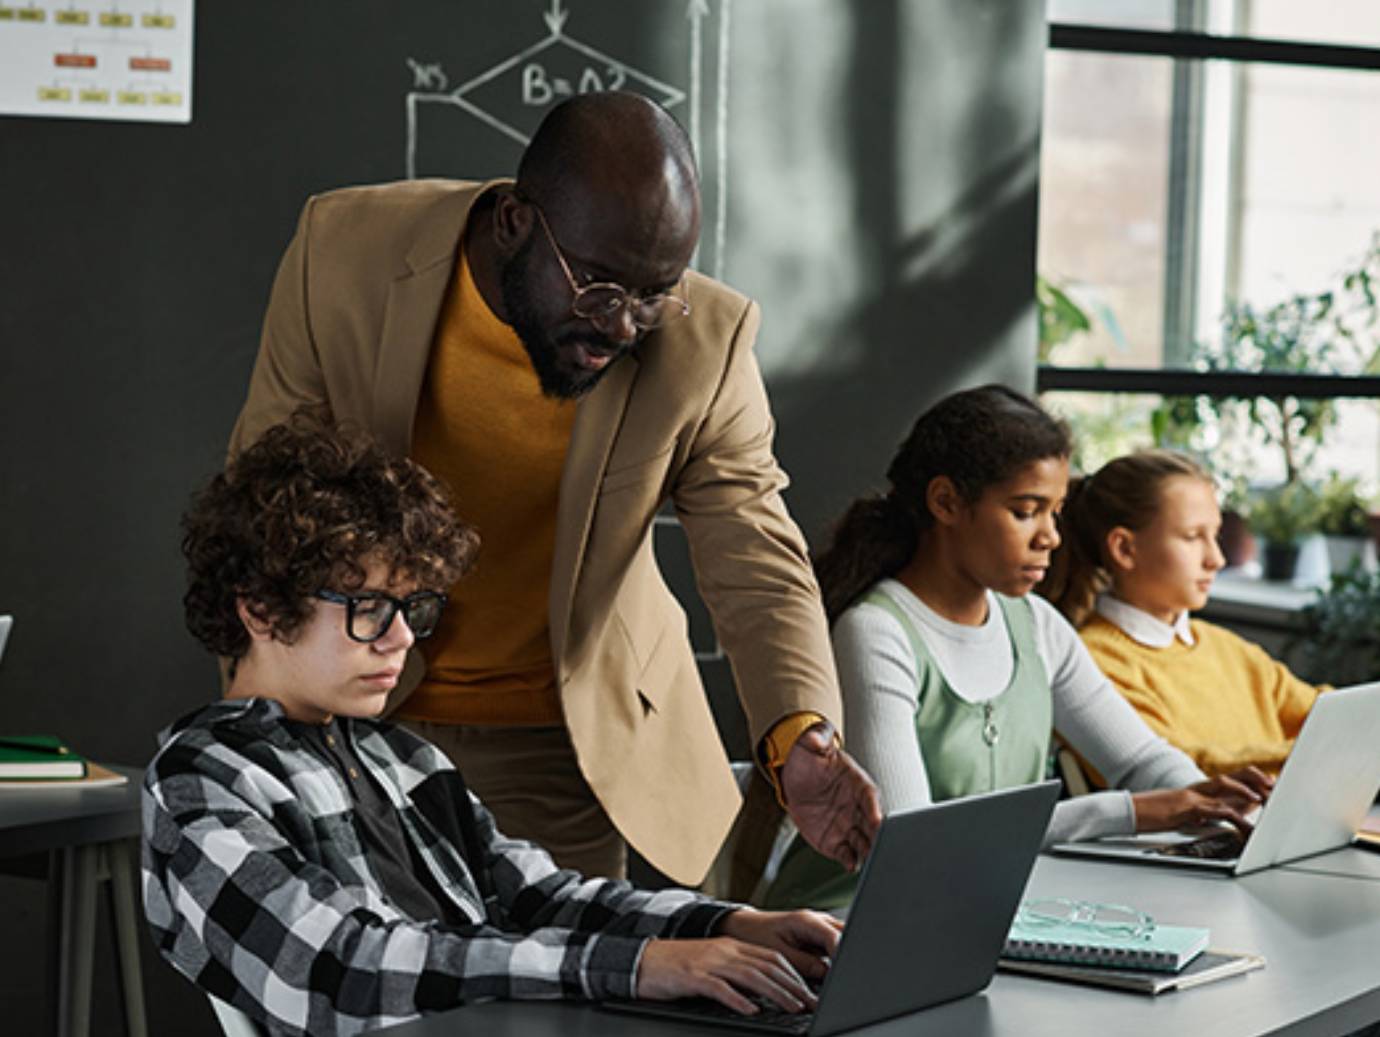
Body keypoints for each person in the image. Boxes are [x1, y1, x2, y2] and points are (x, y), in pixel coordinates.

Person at [227, 90, 879, 885]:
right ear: (515, 223)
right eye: (598, 287)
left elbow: (755, 553)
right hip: (347, 718)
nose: (623, 325)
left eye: (652, 294)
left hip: (560, 742)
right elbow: (267, 500)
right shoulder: (345, 252)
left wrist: (801, 732)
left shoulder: (704, 340)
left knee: (563, 997)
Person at [143, 412, 844, 1037]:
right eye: (366, 608)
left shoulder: (401, 760)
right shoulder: (203, 777)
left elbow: (540, 897)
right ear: (260, 610)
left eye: (410, 607)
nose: (401, 640)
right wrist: (635, 967)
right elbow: (335, 969)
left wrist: (726, 924)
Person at [760, 386, 1273, 909]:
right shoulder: (876, 632)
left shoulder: (1036, 625)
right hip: (850, 925)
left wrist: (1216, 807)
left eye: (1055, 512)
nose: (1050, 536)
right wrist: (1133, 813)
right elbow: (910, 844)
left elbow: (1141, 759)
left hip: (983, 917)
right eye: (1026, 511)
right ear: (946, 503)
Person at [1041, 448, 1329, 776]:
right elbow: (1172, 769)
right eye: (1193, 537)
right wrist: (1307, 752)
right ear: (1124, 548)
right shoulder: (1090, 664)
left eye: (1216, 535)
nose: (1216, 559)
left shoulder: (1230, 650)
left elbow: (1324, 712)